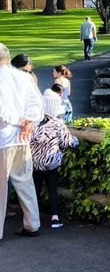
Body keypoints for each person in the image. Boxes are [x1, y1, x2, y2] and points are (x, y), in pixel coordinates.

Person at [0, 42, 44, 239]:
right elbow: (37, 103)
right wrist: (29, 122)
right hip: (22, 136)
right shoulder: (23, 77)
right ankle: (32, 223)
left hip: (4, 137)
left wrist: (18, 121)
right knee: (25, 181)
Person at [30, 91, 79, 229]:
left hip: (35, 163)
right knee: (52, 190)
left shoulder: (35, 123)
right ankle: (55, 218)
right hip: (51, 163)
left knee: (35, 190)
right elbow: (68, 142)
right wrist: (76, 141)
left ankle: (32, 219)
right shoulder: (58, 124)